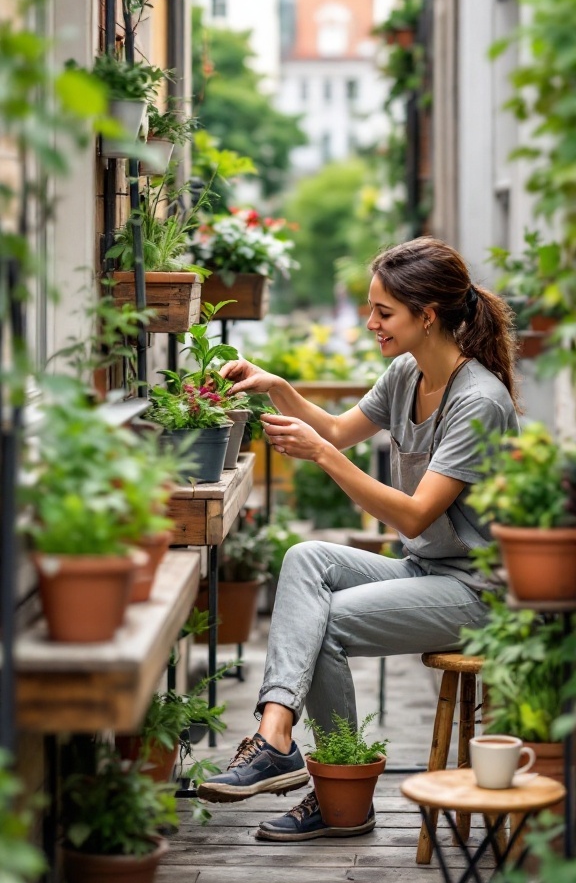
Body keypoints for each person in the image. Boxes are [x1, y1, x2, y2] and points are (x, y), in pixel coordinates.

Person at [198, 237, 520, 842]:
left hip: (478, 593)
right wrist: (276, 386)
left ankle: (336, 791)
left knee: (328, 623)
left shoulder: (479, 401)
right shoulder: (407, 372)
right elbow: (341, 430)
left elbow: (416, 515)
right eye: (371, 309)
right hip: (426, 572)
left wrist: (321, 457)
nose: (371, 322)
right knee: (306, 558)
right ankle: (277, 737)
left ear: (427, 315)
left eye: (383, 312)